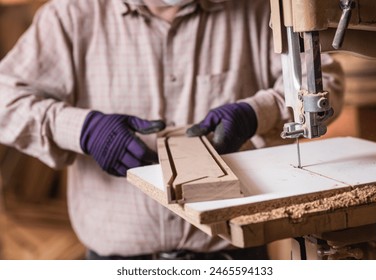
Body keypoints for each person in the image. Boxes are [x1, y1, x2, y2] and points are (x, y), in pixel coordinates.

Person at [0, 0, 344, 259]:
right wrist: (84, 130)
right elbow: (6, 100)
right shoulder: (71, 14)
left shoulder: (255, 8)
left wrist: (256, 113)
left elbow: (323, 82)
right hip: (114, 261)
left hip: (233, 258)